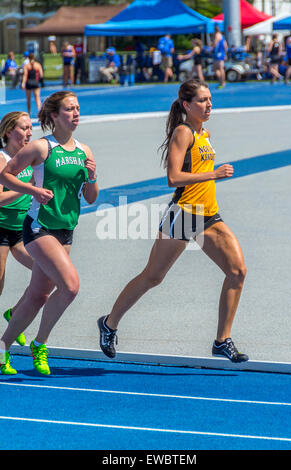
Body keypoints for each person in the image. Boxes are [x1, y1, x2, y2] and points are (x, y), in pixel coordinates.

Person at [97, 79, 248, 364]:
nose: (209, 105)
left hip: (207, 214)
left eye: (210, 100)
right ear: (187, 105)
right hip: (183, 214)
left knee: (237, 271)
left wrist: (210, 176)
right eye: (202, 100)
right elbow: (173, 178)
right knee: (153, 276)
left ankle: (221, 340)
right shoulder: (184, 132)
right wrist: (213, 174)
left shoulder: (205, 133)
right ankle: (109, 323)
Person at [0, 91, 99, 376]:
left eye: (78, 108)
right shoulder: (42, 149)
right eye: (70, 109)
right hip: (38, 227)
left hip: (66, 229)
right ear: (54, 115)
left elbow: (91, 197)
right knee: (70, 286)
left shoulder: (85, 151)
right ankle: (40, 344)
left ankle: (3, 347)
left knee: (38, 295)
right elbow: (4, 175)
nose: (76, 113)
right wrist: (32, 190)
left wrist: (92, 176)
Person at [0, 112, 34, 360]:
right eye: (24, 128)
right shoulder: (1, 160)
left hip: (21, 230)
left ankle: (16, 313)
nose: (30, 132)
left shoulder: (30, 157)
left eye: (31, 127)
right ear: (9, 132)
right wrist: (27, 187)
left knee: (47, 273)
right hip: (0, 229)